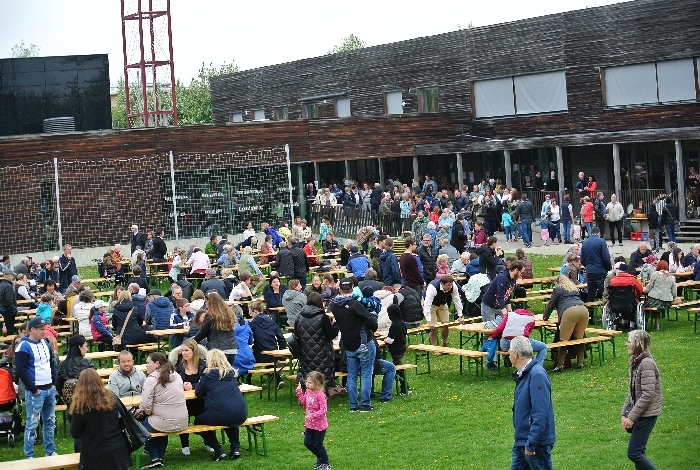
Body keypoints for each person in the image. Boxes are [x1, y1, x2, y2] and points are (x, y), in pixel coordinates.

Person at [329, 278, 379, 412]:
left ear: (340, 289)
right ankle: (365, 404)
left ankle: (353, 405)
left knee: (352, 375)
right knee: (366, 374)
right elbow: (372, 322)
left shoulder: (334, 305)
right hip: (363, 342)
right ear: (352, 288)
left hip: (348, 343)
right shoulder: (355, 304)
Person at [69, 369, 132, 470]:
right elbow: (121, 422)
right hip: (118, 448)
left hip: (95, 452)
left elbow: (75, 433)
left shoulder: (81, 407)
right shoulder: (111, 399)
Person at [134, 352, 188, 468]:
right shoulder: (176, 375)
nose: (146, 365)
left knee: (143, 428)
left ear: (157, 364)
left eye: (148, 362)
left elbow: (146, 405)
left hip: (165, 421)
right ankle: (160, 457)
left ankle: (154, 457)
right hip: (182, 421)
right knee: (159, 424)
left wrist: (146, 412)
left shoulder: (151, 379)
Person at [509, 336, 556, 470]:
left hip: (535, 443)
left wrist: (531, 443)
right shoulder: (524, 373)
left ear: (515, 354)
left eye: (509, 352)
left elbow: (540, 412)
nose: (508, 355)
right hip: (523, 440)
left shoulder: (536, 375)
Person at [194, 349, 249, 461]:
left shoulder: (208, 375)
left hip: (219, 414)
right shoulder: (231, 373)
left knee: (198, 421)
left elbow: (198, 392)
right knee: (230, 419)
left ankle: (218, 450)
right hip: (240, 413)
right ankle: (235, 448)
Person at [15, 316, 57, 458]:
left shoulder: (45, 343)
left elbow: (51, 363)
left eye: (44, 329)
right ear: (32, 329)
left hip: (49, 388)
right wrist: (34, 389)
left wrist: (53, 383)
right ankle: (29, 455)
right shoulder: (23, 346)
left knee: (50, 422)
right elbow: (21, 370)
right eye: (41, 329)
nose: (44, 332)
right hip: (35, 391)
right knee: (32, 423)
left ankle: (50, 451)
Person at [621, 330, 662, 470]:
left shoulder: (646, 364)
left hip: (646, 415)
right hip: (640, 414)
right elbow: (632, 391)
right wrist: (624, 414)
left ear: (638, 344)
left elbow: (647, 395)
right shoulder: (635, 362)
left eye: (629, 341)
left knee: (634, 453)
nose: (626, 344)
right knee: (639, 452)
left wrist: (631, 418)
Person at [543, 275, 591, 372]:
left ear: (557, 282)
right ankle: (580, 362)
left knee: (564, 340)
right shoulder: (573, 288)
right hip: (584, 310)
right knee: (579, 338)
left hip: (570, 311)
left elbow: (551, 304)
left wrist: (545, 317)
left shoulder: (558, 289)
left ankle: (560, 364)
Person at [169, 338, 207, 456]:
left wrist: (193, 386)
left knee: (205, 420)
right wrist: (182, 386)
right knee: (183, 421)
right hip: (183, 401)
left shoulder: (203, 364)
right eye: (182, 350)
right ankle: (185, 445)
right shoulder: (178, 365)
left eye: (186, 350)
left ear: (194, 351)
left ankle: (209, 442)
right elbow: (172, 383)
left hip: (200, 399)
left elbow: (206, 382)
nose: (183, 353)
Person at [57, 334, 95, 451]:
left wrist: (67, 398)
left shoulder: (62, 365)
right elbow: (95, 384)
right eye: (85, 346)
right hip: (89, 405)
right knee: (91, 434)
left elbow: (58, 386)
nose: (86, 349)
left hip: (71, 406)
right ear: (79, 347)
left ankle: (79, 458)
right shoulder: (88, 363)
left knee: (78, 436)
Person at [296, 293, 338, 390]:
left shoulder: (299, 316)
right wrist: (335, 325)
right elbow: (331, 335)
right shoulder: (322, 317)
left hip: (305, 352)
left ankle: (307, 393)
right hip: (322, 353)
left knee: (308, 374)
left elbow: (296, 334)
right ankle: (321, 395)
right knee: (321, 376)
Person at [193, 292, 240, 366]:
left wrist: (191, 342)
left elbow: (202, 333)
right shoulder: (229, 313)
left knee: (216, 372)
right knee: (227, 371)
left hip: (218, 350)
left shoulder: (210, 316)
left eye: (207, 302)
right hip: (232, 349)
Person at [296, 371, 331, 470]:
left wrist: (312, 415)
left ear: (317, 383)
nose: (307, 384)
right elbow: (303, 401)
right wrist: (299, 392)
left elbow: (323, 410)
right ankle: (320, 458)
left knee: (318, 444)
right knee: (307, 443)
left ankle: (326, 463)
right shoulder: (308, 391)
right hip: (310, 424)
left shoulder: (320, 395)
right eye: (306, 381)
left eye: (310, 382)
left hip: (320, 425)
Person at [423, 274, 465, 349]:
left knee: (446, 324)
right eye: (448, 285)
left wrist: (460, 315)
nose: (450, 287)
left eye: (451, 285)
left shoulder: (453, 286)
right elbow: (427, 304)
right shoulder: (433, 288)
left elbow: (457, 300)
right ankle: (434, 348)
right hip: (431, 304)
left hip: (442, 303)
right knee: (433, 326)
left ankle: (445, 343)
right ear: (442, 284)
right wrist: (429, 321)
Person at [580, 226, 612, 302]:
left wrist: (587, 266)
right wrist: (608, 268)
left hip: (589, 272)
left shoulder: (585, 243)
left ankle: (589, 308)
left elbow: (582, 259)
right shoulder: (602, 241)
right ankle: (606, 308)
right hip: (600, 271)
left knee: (591, 293)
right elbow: (606, 258)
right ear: (599, 233)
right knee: (604, 293)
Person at [643, 260, 675, 331]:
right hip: (667, 302)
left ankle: (644, 325)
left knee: (645, 307)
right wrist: (672, 298)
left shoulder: (655, 274)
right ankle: (656, 324)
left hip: (655, 300)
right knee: (659, 304)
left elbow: (648, 288)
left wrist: (642, 289)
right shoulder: (672, 277)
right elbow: (674, 293)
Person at [386, 304, 409, 394]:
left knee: (399, 369)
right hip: (402, 347)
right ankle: (405, 386)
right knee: (399, 367)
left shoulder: (394, 325)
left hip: (396, 349)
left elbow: (390, 340)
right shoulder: (402, 323)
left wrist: (386, 340)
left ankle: (405, 387)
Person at [0, 270, 18, 335]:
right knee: (9, 330)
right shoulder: (8, 286)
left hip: (2, 309)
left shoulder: (1, 284)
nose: (13, 277)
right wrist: (14, 311)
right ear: (9, 276)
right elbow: (9, 301)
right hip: (8, 311)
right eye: (12, 275)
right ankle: (9, 340)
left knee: (6, 328)